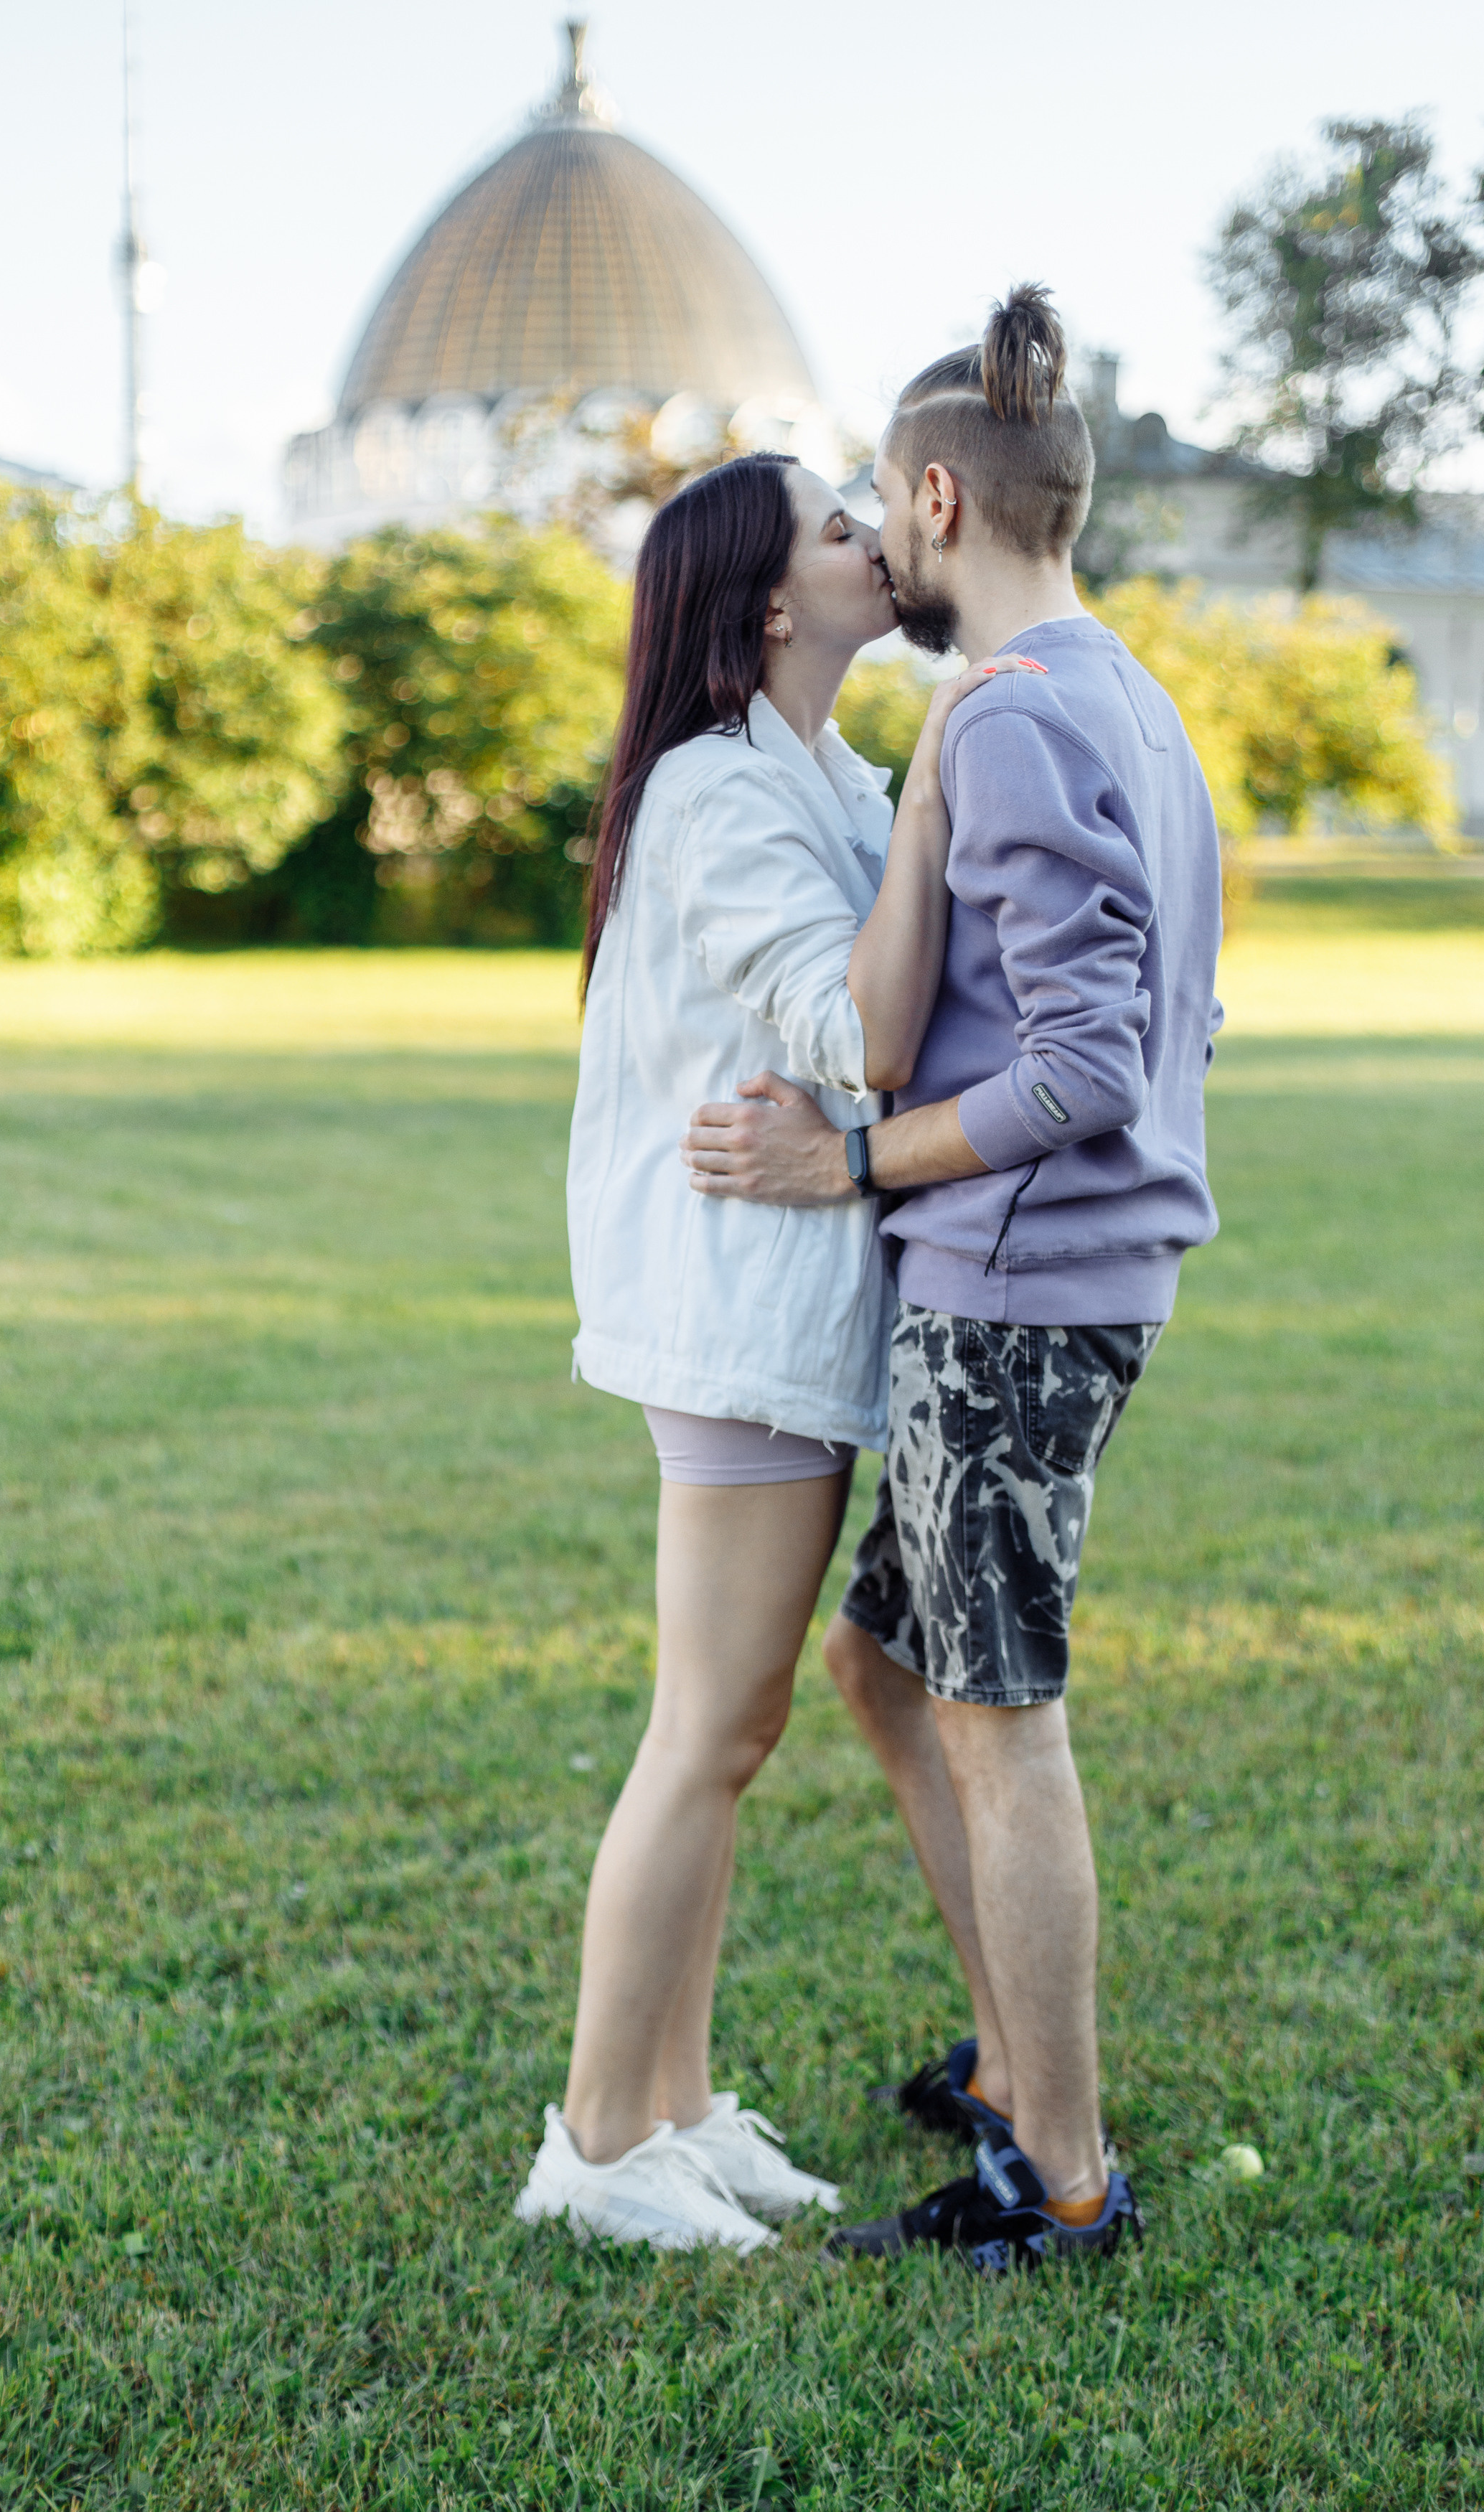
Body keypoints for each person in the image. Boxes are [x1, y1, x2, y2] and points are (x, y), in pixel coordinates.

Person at [680, 285, 1224, 2274]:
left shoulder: (1002, 717)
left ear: (934, 499)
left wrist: (848, 1160)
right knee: (883, 1664)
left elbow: (1079, 1062)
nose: (873, 550)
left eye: (878, 518)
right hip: (1059, 1283)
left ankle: (1057, 2170)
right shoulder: (1116, 691)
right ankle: (1009, 2053)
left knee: (996, 1710)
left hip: (1008, 1293)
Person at [515, 450, 1041, 2254]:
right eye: (838, 527)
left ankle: (675, 2106)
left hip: (780, 1309)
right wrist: (947, 784)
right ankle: (595, 2147)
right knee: (706, 1731)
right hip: (734, 1316)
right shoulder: (722, 798)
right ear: (762, 605)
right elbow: (860, 1031)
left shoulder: (813, 766)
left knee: (724, 1729)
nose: (874, 540)